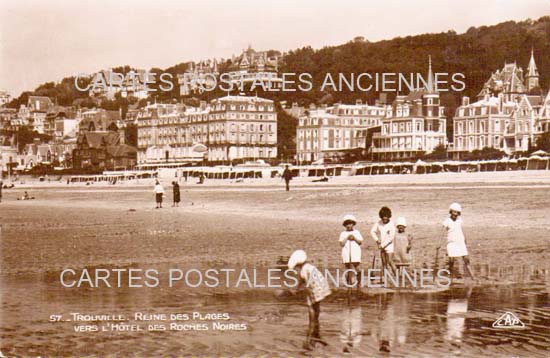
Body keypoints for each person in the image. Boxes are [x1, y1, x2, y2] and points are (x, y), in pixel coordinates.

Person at [288, 249, 331, 350]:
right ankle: (316, 334)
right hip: (318, 289)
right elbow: (301, 281)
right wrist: (296, 289)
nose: (296, 269)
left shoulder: (307, 270)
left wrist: (298, 290)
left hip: (315, 290)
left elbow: (309, 283)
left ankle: (309, 339)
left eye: (296, 267)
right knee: (316, 311)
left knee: (312, 313)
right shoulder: (307, 268)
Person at [439, 202, 475, 280]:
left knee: (466, 259)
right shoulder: (447, 221)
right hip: (451, 243)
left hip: (460, 242)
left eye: (457, 212)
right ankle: (450, 277)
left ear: (459, 213)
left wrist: (465, 239)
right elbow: (441, 232)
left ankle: (473, 277)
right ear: (450, 212)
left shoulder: (459, 220)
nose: (455, 214)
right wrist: (439, 243)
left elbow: (461, 230)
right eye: (453, 212)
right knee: (451, 261)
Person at [339, 214, 364, 287]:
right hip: (346, 253)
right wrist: (347, 238)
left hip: (355, 253)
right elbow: (341, 244)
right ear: (345, 225)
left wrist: (354, 238)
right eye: (347, 224)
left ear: (353, 224)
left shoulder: (357, 232)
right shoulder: (343, 233)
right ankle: (348, 283)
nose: (349, 225)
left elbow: (360, 242)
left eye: (350, 223)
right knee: (348, 268)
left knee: (357, 268)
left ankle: (358, 282)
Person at [371, 206, 397, 274]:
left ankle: (397, 277)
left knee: (390, 261)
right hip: (382, 246)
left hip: (389, 246)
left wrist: (382, 245)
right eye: (383, 216)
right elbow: (372, 231)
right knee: (384, 263)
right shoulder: (378, 223)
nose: (384, 218)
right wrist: (377, 240)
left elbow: (390, 238)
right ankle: (385, 278)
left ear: (389, 216)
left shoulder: (391, 225)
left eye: (386, 216)